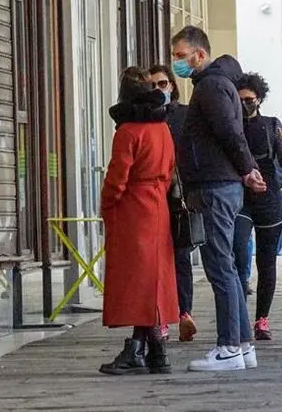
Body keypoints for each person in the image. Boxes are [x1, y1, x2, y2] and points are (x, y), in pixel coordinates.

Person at [170, 26, 264, 372]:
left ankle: (228, 347)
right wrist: (245, 169)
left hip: (214, 184)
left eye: (181, 55)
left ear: (200, 54)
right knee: (227, 266)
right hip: (219, 182)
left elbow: (229, 132)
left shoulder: (210, 86)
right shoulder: (218, 84)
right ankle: (242, 344)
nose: (177, 62)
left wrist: (248, 168)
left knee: (220, 267)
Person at [98, 68, 179, 376]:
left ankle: (137, 350)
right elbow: (170, 169)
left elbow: (117, 177)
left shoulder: (128, 132)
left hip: (133, 209)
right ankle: (155, 349)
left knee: (137, 281)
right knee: (152, 279)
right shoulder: (162, 129)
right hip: (158, 205)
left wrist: (107, 204)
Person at [233, 72, 282, 341]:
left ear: (259, 99)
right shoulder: (230, 125)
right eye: (240, 100)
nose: (245, 104)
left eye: (249, 99)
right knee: (238, 253)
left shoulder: (271, 125)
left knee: (267, 262)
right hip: (240, 200)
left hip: (268, 200)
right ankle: (239, 317)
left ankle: (261, 320)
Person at [149, 64, 198, 342]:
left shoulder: (184, 115)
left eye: (162, 84)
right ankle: (162, 317)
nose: (158, 89)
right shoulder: (145, 116)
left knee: (181, 256)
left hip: (180, 196)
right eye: (152, 85)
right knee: (157, 260)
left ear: (172, 86)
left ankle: (184, 313)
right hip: (153, 196)